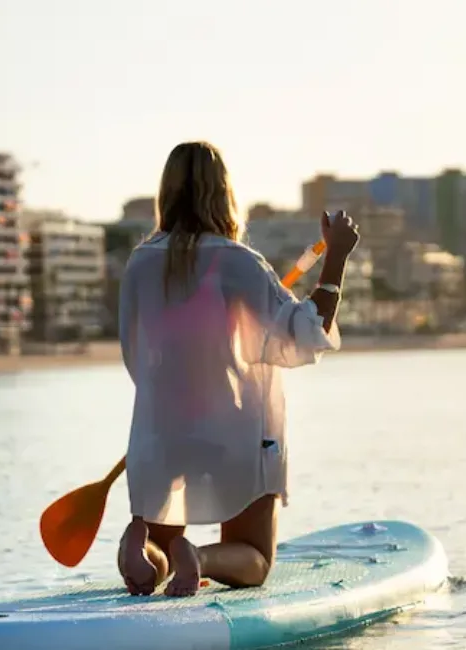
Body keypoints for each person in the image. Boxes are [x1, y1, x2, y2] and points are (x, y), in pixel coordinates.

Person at [114, 141, 360, 597]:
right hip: (235, 432)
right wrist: (337, 256)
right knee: (256, 557)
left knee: (158, 556)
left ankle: (142, 549)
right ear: (225, 193)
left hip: (160, 433)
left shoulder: (140, 262)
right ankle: (200, 557)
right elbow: (307, 331)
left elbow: (136, 354)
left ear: (165, 193)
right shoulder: (237, 261)